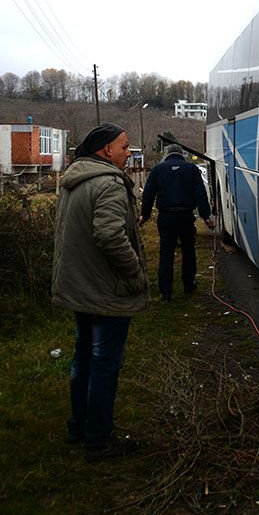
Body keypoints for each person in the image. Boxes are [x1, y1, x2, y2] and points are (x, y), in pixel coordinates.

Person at [52, 123, 150, 462]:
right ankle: (98, 438)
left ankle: (78, 426)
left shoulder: (74, 180)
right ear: (106, 150)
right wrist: (134, 273)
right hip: (105, 290)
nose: (128, 152)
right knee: (105, 363)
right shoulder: (108, 184)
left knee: (83, 358)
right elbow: (109, 236)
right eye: (123, 146)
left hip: (80, 286)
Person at [139, 144, 214, 301]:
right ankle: (188, 284)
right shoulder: (191, 169)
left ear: (167, 155)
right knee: (188, 251)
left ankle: (165, 291)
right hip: (186, 216)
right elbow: (200, 194)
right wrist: (206, 217)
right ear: (182, 155)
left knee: (166, 252)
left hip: (166, 217)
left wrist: (144, 216)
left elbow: (148, 195)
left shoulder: (158, 170)